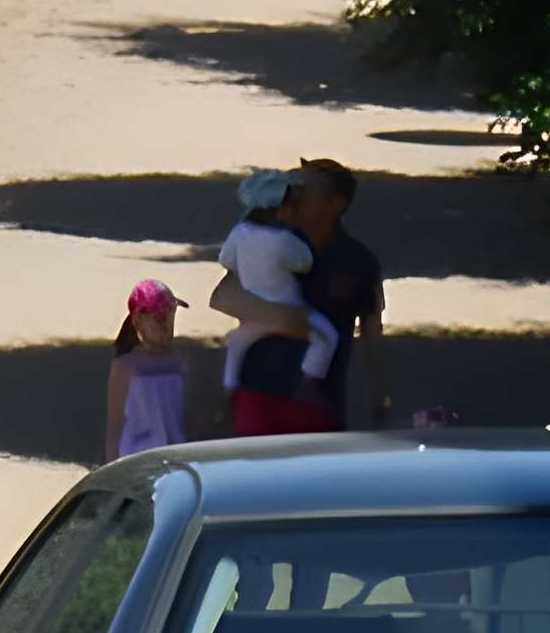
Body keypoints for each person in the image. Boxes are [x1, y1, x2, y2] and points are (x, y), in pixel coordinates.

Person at [209, 160, 388, 433]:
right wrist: (288, 319)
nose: (297, 193)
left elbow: (372, 333)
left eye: (308, 189)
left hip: (318, 404)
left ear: (336, 203)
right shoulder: (269, 241)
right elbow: (222, 297)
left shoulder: (361, 263)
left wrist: (377, 402)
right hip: (258, 396)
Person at [214, 171, 337, 437]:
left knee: (236, 345)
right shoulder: (285, 241)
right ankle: (309, 381)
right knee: (326, 337)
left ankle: (229, 392)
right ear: (281, 210)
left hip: (253, 310)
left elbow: (226, 260)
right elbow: (304, 262)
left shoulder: (239, 233)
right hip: (291, 309)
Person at [106, 278, 192, 460]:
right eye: (159, 319)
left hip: (177, 456)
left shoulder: (179, 362)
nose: (167, 326)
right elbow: (115, 425)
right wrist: (111, 465)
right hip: (136, 459)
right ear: (138, 321)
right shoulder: (125, 367)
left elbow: (189, 417)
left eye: (171, 315)